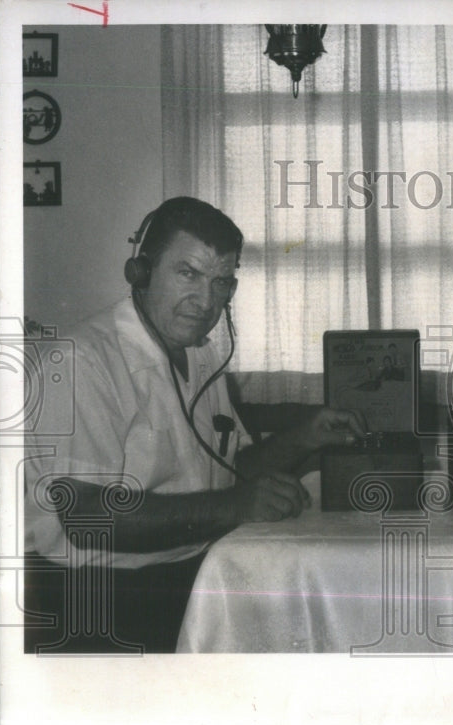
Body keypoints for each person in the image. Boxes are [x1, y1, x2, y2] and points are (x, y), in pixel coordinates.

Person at [23, 197, 366, 653]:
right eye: (188, 274)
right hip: (97, 603)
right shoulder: (82, 360)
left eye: (222, 282)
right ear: (139, 272)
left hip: (188, 578)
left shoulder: (201, 354)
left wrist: (305, 436)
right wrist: (236, 506)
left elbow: (225, 467)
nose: (207, 301)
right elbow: (88, 518)